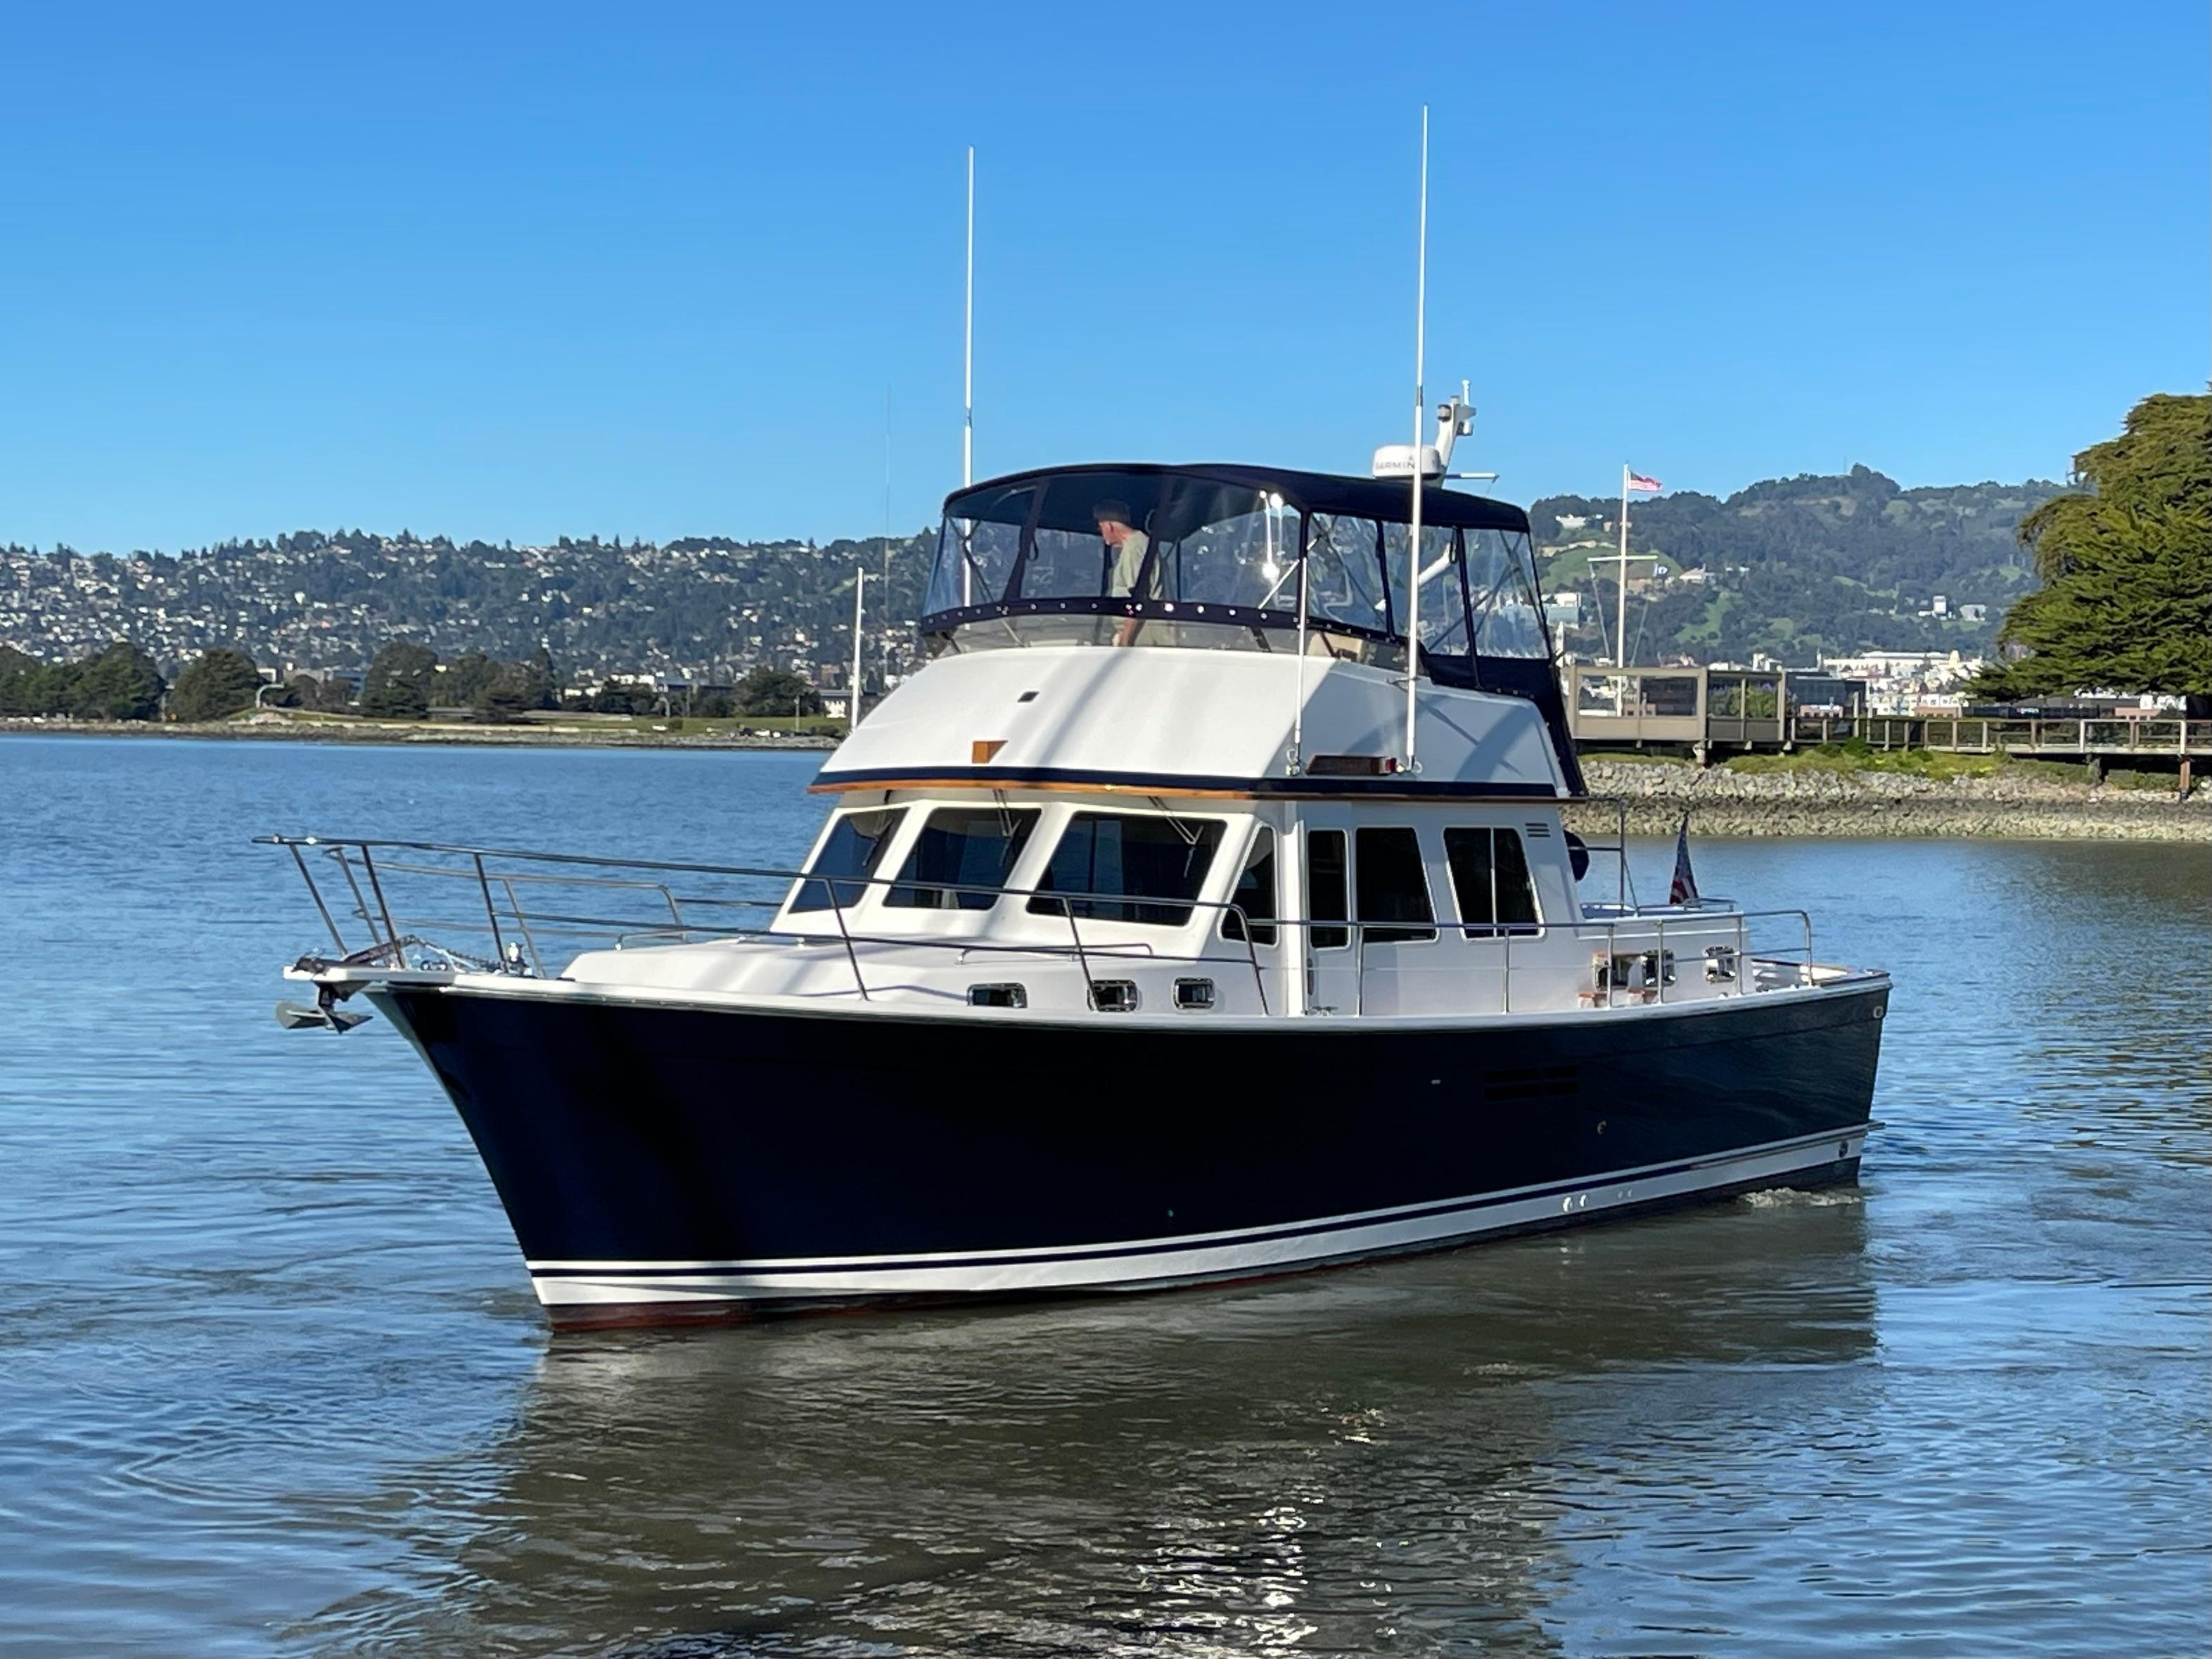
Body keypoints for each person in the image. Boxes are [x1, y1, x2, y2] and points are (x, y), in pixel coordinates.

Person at [1094, 499, 1156, 646]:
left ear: (1108, 526)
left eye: (1100, 528)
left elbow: (1138, 599)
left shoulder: (1135, 548)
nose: (1102, 535)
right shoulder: (1133, 547)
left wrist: (1125, 642)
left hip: (1144, 641)